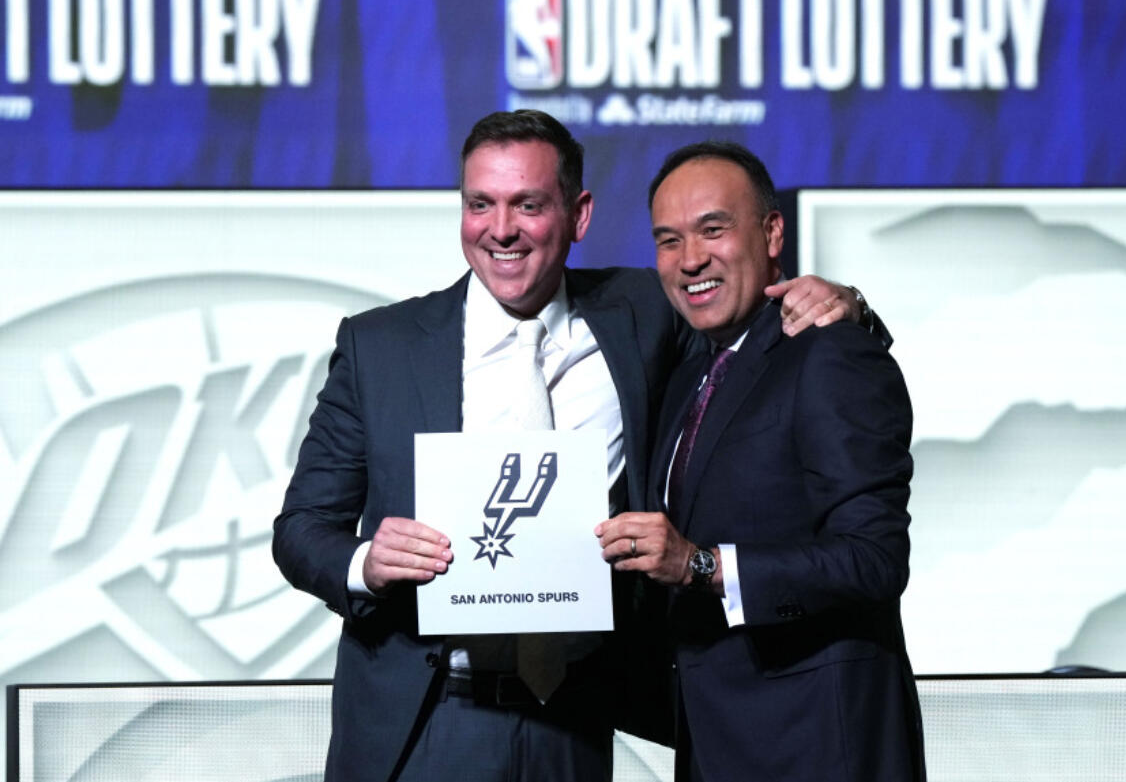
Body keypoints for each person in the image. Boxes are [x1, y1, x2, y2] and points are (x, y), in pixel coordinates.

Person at [272, 111, 875, 782]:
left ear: (579, 213)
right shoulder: (378, 347)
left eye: (528, 204)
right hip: (424, 720)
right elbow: (300, 530)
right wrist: (365, 562)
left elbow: (743, 312)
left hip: (576, 719)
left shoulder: (646, 311)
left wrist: (844, 303)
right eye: (480, 204)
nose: (501, 229)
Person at [597, 141, 926, 782]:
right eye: (668, 240)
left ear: (773, 231)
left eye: (712, 229)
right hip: (711, 744)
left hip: (822, 749)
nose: (690, 258)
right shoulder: (689, 369)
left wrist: (700, 564)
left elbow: (876, 561)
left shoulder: (829, 353)